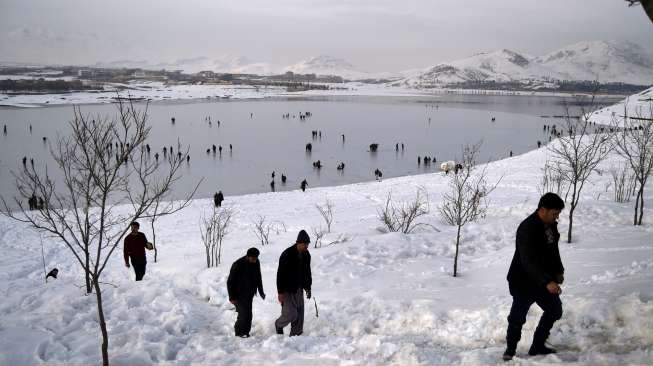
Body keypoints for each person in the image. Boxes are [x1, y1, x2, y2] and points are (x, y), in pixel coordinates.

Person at [503, 193, 565, 361]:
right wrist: (547, 281)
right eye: (554, 213)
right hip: (523, 281)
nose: (557, 217)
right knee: (517, 317)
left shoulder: (550, 225)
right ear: (543, 210)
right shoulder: (527, 229)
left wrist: (558, 271)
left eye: (558, 214)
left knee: (554, 310)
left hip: (544, 280)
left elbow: (553, 251)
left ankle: (537, 345)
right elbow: (527, 260)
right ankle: (510, 351)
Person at [275, 230, 312, 336]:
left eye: (307, 244)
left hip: (299, 288)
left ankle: (296, 335)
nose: (307, 246)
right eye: (305, 244)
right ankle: (278, 324)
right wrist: (280, 292)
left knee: (300, 314)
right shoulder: (287, 254)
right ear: (298, 243)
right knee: (291, 314)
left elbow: (307, 272)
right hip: (287, 289)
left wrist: (308, 288)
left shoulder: (306, 255)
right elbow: (280, 275)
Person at [227, 248, 265, 338]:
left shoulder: (256, 262)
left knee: (249, 314)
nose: (254, 260)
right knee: (243, 314)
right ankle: (239, 333)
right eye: (253, 259)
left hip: (249, 293)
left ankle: (246, 332)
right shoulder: (237, 264)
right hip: (238, 294)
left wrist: (261, 291)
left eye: (256, 258)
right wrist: (232, 297)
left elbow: (258, 276)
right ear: (248, 256)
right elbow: (230, 281)